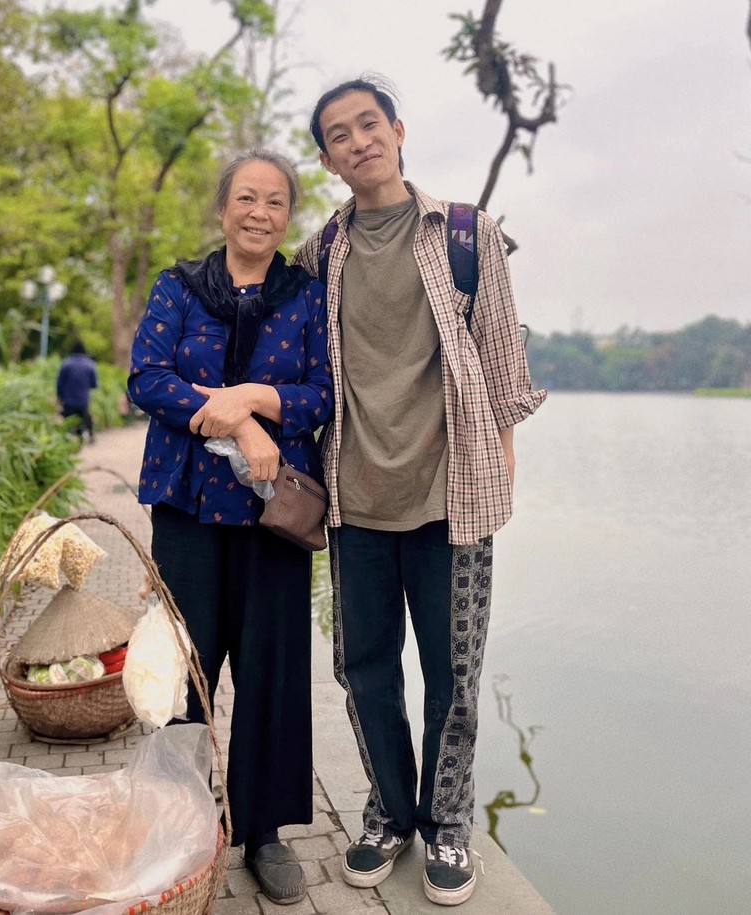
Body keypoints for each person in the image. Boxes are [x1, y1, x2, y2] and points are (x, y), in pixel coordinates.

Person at [294, 78, 547, 906]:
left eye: (370, 123)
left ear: (398, 131)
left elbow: (506, 365)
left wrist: (497, 478)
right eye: (340, 133)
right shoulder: (321, 253)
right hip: (355, 496)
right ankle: (388, 813)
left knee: (453, 678)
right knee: (363, 670)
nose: (359, 140)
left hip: (452, 498)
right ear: (329, 159)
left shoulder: (466, 234)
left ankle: (446, 826)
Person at [127, 149, 332, 906]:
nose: (259, 212)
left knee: (273, 669)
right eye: (246, 198)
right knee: (185, 666)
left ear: (287, 217)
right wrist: (238, 425)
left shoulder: (304, 295)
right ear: (223, 209)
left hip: (272, 513)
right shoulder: (179, 287)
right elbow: (146, 377)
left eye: (275, 202)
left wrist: (248, 401)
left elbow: (322, 393)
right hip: (186, 506)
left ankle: (264, 831)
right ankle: (182, 813)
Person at [56, 341, 98, 441]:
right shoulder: (90, 365)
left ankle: (68, 437)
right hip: (83, 399)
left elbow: (59, 383)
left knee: (69, 420)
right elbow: (94, 384)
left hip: (68, 400)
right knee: (85, 416)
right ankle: (90, 435)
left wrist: (60, 396)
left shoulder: (66, 363)